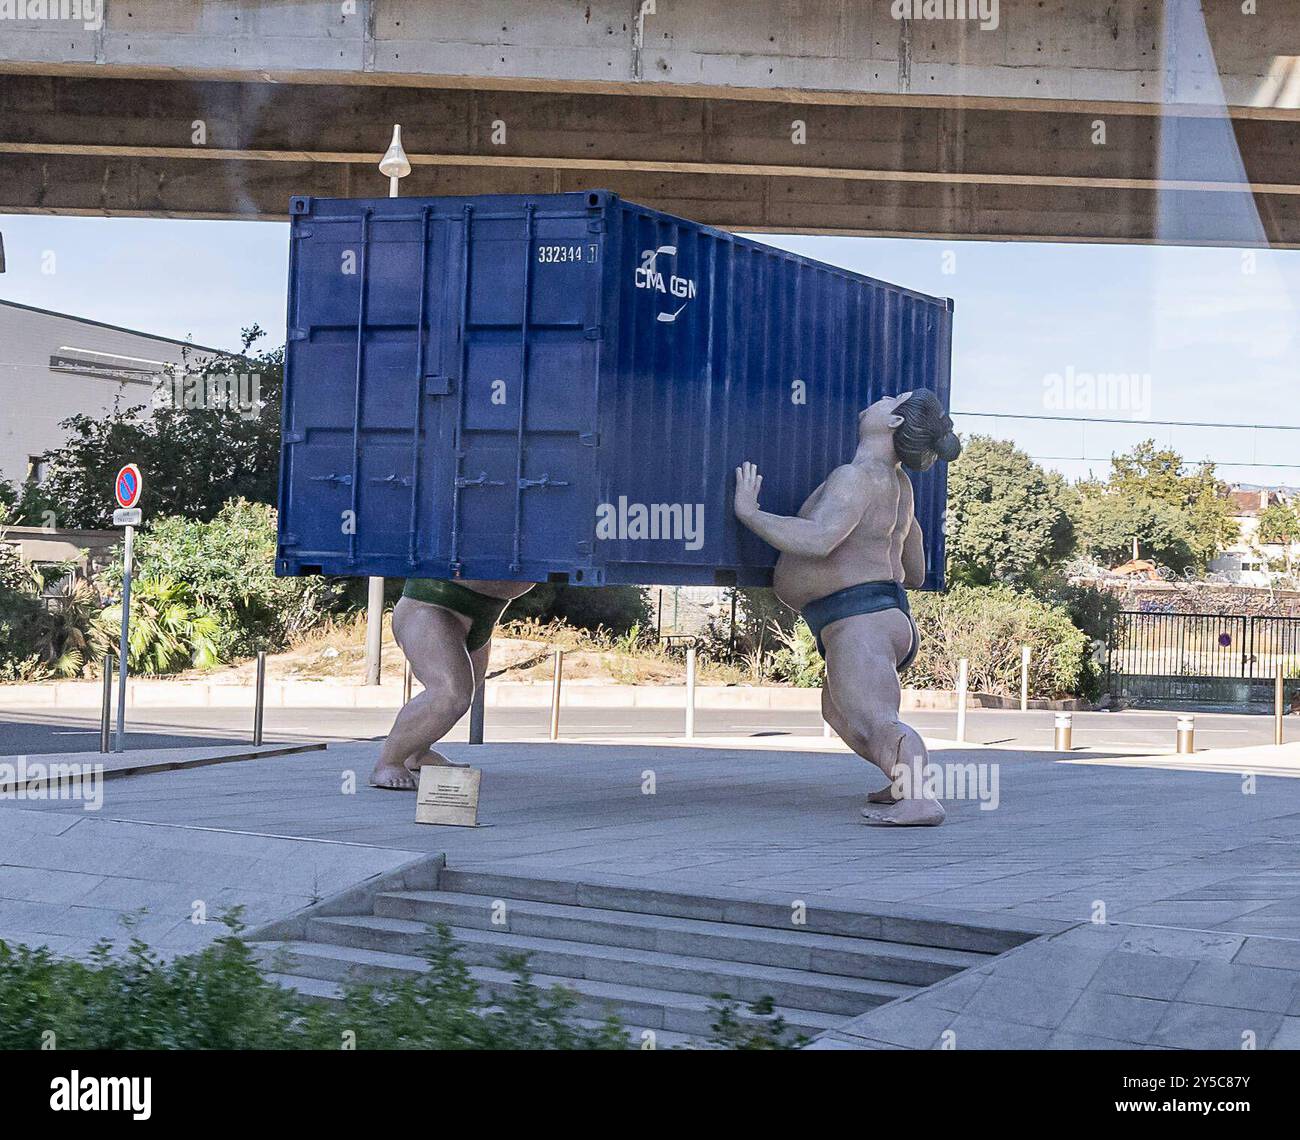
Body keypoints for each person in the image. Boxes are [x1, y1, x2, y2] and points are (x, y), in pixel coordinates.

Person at [733, 390, 961, 825]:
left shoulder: (855, 477)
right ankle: (901, 780)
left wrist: (751, 513)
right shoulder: (899, 486)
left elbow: (818, 539)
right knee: (837, 711)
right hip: (882, 616)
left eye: (892, 398)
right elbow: (914, 573)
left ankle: (920, 799)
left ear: (893, 421)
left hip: (860, 622)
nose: (879, 399)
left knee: (877, 719)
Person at [370, 578, 534, 789]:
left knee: (464, 690)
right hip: (430, 607)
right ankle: (388, 762)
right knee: (450, 694)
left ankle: (417, 753)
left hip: (483, 615)